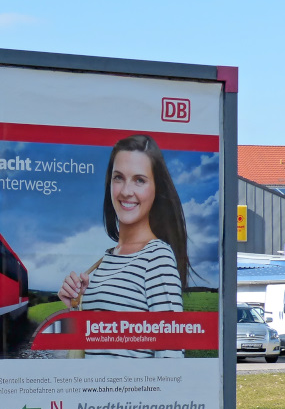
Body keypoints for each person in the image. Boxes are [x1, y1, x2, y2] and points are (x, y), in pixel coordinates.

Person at [57, 134, 189, 358]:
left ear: (156, 188)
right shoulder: (104, 262)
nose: (126, 191)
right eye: (119, 178)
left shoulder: (157, 257)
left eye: (139, 180)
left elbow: (171, 355)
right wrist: (75, 306)